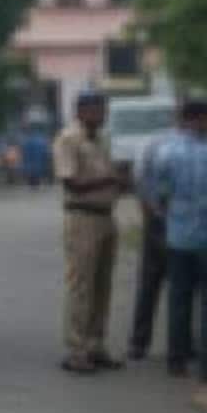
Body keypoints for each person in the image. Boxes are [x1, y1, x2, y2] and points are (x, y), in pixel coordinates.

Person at [146, 99, 207, 381]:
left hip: (179, 236)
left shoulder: (165, 153)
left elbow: (155, 195)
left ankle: (177, 359)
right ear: (199, 119)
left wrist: (167, 214)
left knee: (179, 297)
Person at [55, 90, 126, 374]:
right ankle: (76, 348)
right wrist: (109, 178)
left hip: (106, 216)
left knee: (102, 284)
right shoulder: (69, 139)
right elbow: (72, 182)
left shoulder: (101, 140)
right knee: (82, 284)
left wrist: (121, 181)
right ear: (81, 111)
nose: (103, 115)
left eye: (104, 109)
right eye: (98, 109)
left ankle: (96, 344)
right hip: (82, 216)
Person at [127, 108, 183, 360]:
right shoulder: (197, 147)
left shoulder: (153, 143)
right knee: (182, 285)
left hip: (156, 220)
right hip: (182, 222)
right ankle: (181, 345)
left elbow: (138, 178)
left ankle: (139, 343)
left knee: (149, 283)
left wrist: (148, 209)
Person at [21, 123, 52, 190]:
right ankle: (36, 184)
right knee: (36, 183)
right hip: (38, 167)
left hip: (31, 167)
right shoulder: (42, 141)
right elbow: (45, 154)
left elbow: (25, 155)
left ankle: (33, 185)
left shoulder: (27, 141)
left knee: (32, 185)